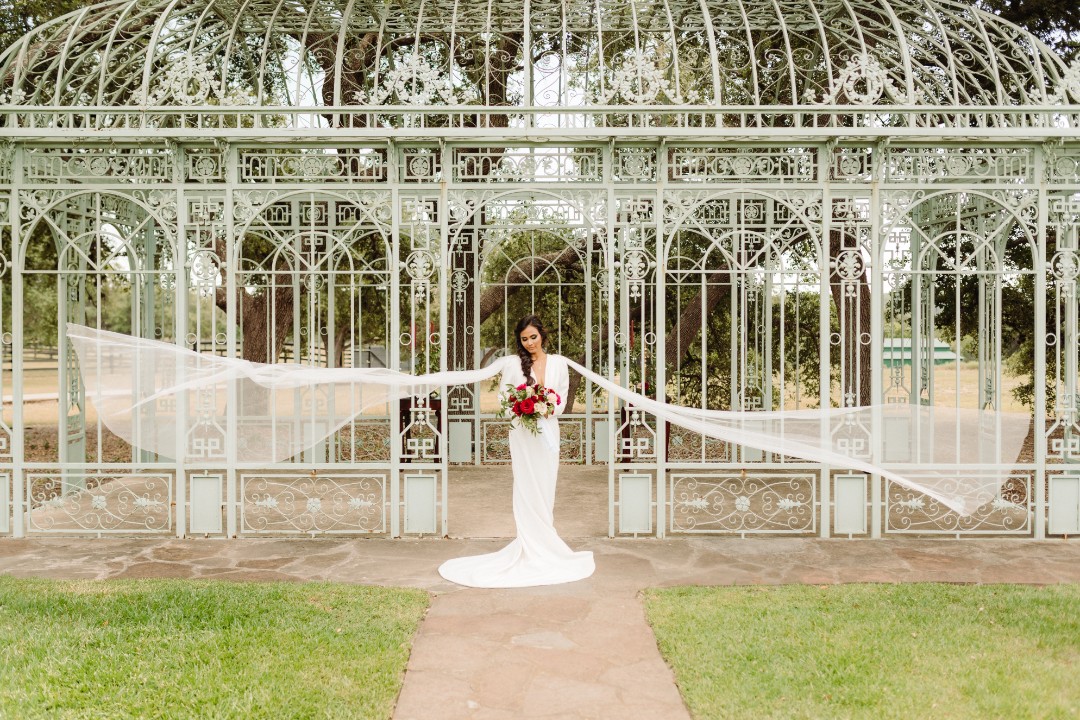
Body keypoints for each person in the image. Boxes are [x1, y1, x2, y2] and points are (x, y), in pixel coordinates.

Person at [438, 315, 595, 588]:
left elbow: (562, 396)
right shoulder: (513, 364)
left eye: (533, 337)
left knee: (545, 486)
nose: (530, 343)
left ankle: (546, 542)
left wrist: (544, 406)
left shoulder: (559, 363)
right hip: (523, 433)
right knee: (526, 486)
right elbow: (503, 398)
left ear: (542, 335)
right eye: (524, 339)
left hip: (548, 433)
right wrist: (526, 405)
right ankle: (529, 544)